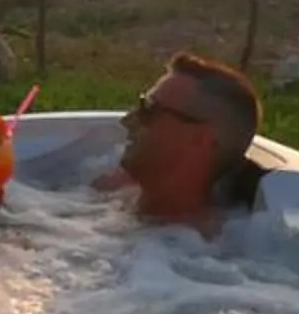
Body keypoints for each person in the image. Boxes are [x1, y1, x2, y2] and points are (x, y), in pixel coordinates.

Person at [112, 51, 263, 226]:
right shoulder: (112, 191)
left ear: (201, 138)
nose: (127, 121)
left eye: (149, 110)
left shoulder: (197, 247)